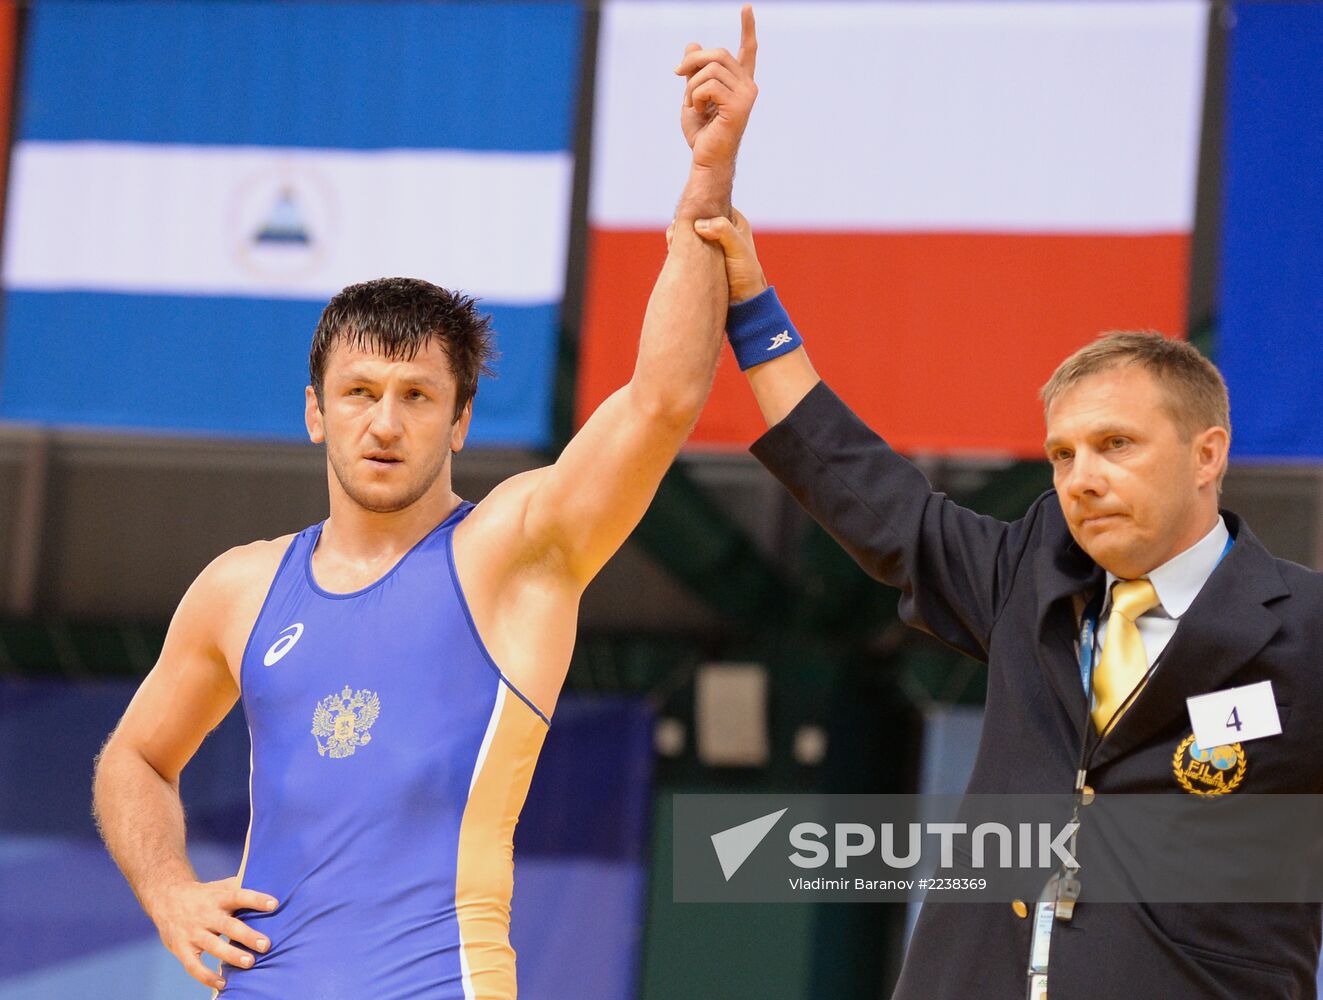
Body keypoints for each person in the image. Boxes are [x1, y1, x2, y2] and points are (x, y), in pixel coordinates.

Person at [90, 9, 758, 997]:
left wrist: (708, 175)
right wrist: (170, 892)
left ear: (461, 418)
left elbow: (661, 401)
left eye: (417, 397)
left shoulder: (513, 553)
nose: (385, 423)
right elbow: (135, 760)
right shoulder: (240, 587)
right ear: (316, 412)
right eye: (360, 394)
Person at [687, 209, 1323, 997]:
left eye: (1115, 444)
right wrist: (751, 309)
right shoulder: (1030, 575)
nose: (1080, 477)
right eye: (1062, 453)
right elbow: (863, 489)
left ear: (1207, 454)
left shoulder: (1305, 628)